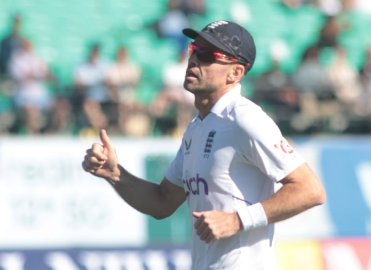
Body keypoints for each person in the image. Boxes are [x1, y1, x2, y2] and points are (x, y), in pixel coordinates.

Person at [82, 20, 326, 269]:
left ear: (235, 73)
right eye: (193, 51)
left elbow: (310, 189)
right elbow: (162, 201)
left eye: (208, 55)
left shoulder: (244, 118)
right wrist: (113, 174)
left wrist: (237, 220)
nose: (195, 60)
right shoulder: (197, 127)